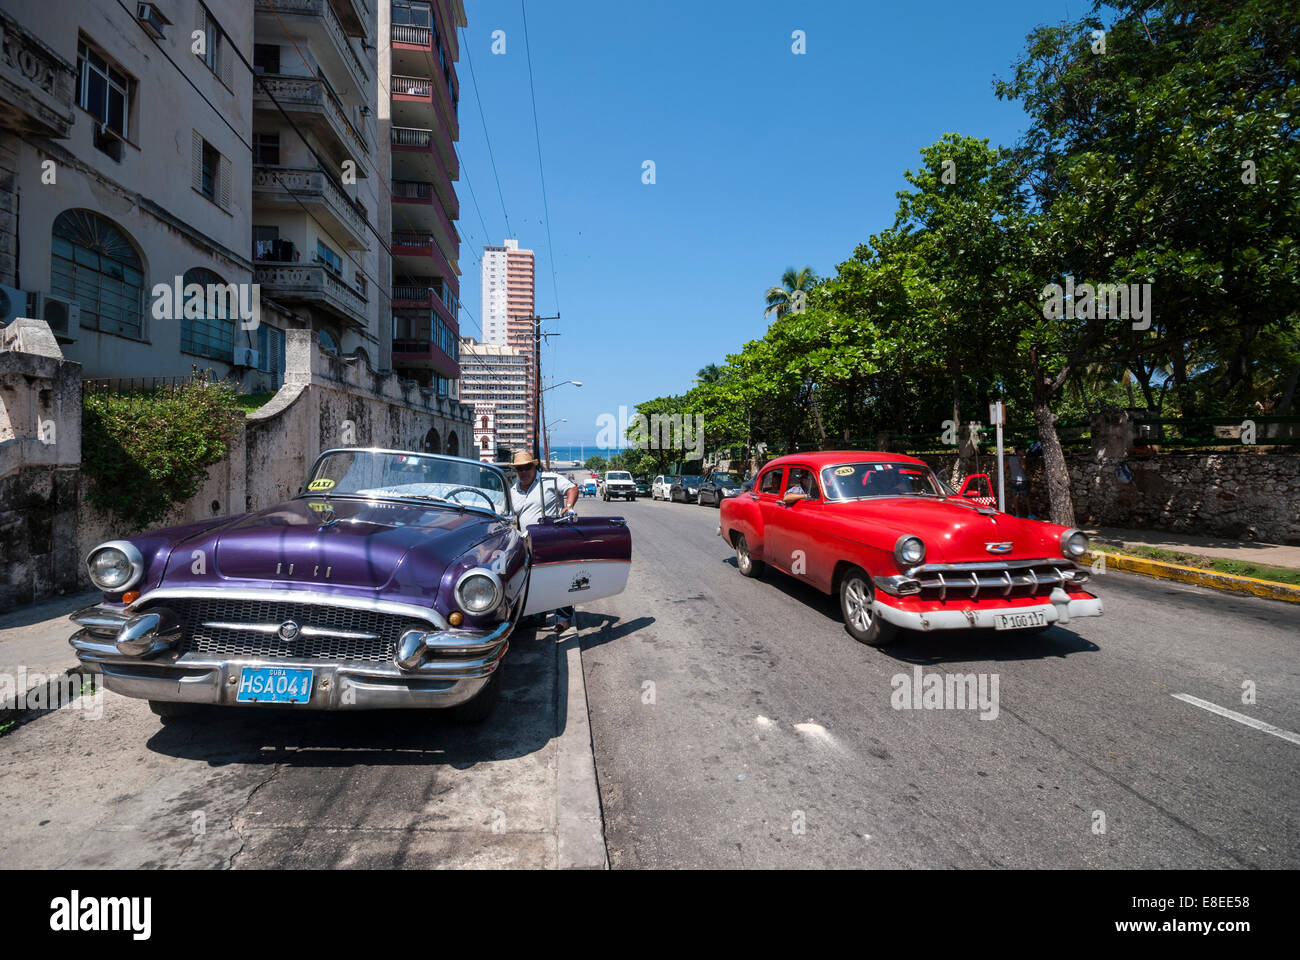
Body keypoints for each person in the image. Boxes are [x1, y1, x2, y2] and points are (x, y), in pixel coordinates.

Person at [509, 451, 580, 633]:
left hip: (552, 537)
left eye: (527, 467)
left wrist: (569, 506)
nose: (523, 472)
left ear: (534, 467)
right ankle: (537, 616)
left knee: (558, 578)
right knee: (533, 580)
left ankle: (563, 618)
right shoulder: (513, 490)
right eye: (519, 469)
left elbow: (572, 488)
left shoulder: (549, 480)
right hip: (528, 541)